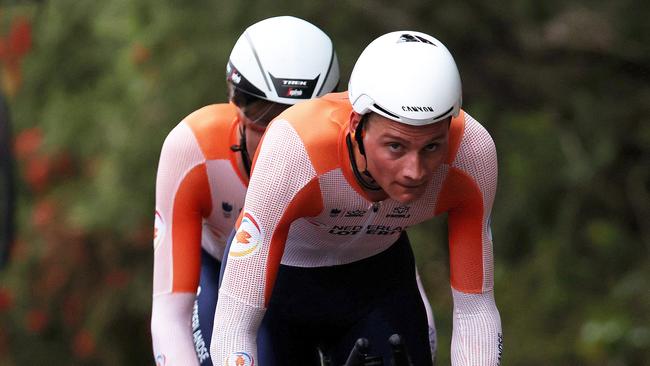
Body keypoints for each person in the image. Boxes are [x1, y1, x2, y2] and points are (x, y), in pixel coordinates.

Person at [212, 31, 503, 366]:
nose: (415, 171)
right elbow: (236, 319)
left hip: (375, 283)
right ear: (357, 126)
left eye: (432, 147)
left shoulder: (472, 153)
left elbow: (475, 307)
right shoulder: (296, 148)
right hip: (281, 284)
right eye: (396, 146)